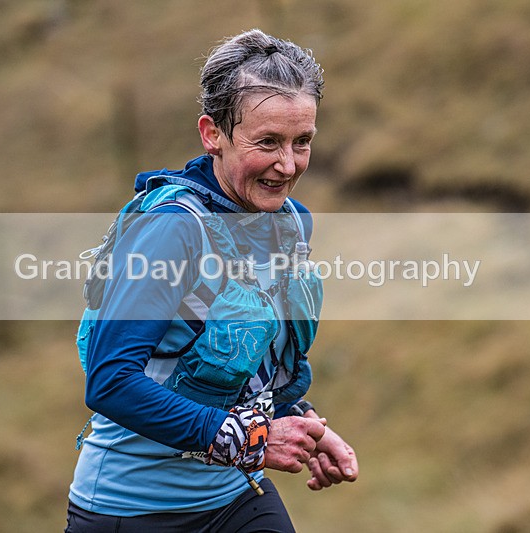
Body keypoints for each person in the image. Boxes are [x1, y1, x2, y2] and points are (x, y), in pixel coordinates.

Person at [66, 29, 358, 533]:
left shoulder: (290, 223)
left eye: (302, 142)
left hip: (234, 498)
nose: (287, 166)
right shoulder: (172, 230)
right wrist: (255, 441)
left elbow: (250, 358)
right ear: (212, 133)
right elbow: (110, 382)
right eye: (266, 142)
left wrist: (301, 422)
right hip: (132, 509)